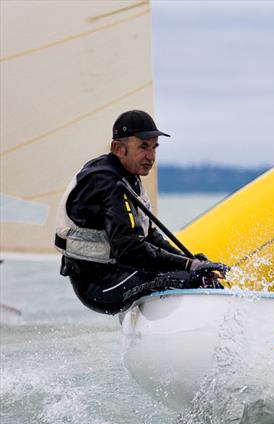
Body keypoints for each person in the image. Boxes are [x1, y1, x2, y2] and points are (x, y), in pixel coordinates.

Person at [55, 110, 228, 314]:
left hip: (117, 273)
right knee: (193, 278)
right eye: (143, 147)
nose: (151, 156)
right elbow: (131, 250)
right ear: (118, 148)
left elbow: (149, 236)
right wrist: (189, 266)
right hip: (98, 285)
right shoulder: (106, 182)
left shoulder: (127, 175)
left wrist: (190, 261)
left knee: (196, 274)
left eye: (154, 147)